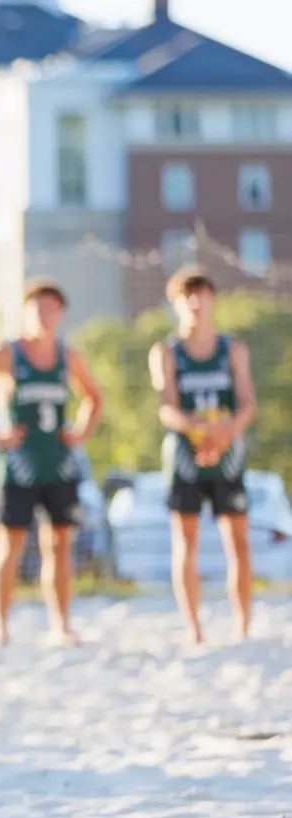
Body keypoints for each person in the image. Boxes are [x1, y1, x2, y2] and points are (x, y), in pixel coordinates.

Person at [0, 279, 103, 645]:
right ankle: (0, 627)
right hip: (18, 467)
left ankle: (60, 625)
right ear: (26, 311)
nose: (45, 315)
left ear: (62, 314)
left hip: (59, 465)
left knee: (60, 544)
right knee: (9, 544)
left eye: (52, 308)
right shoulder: (7, 353)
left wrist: (80, 432)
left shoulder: (68, 356)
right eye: (38, 308)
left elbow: (95, 397)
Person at [149, 267, 258, 643]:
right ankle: (194, 627)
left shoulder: (233, 348)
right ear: (176, 304)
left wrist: (224, 432)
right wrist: (199, 430)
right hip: (185, 455)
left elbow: (247, 404)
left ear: (213, 299)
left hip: (228, 453)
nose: (195, 302)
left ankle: (242, 626)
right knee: (186, 540)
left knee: (239, 540)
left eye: (202, 294)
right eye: (186, 296)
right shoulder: (166, 351)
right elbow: (167, 408)